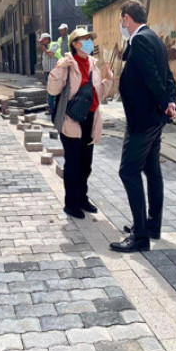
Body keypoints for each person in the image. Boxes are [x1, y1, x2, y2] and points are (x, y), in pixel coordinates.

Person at [110, 0, 176, 253]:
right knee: (151, 170)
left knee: (128, 172)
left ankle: (140, 236)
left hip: (143, 120)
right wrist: (170, 102)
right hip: (154, 118)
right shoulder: (154, 39)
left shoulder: (140, 41)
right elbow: (168, 77)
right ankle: (152, 225)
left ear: (127, 18)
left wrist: (166, 104)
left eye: (121, 19)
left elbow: (153, 79)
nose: (121, 24)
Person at [48, 28, 114, 219]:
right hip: (71, 120)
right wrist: (59, 68)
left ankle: (82, 198)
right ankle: (71, 203)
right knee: (73, 164)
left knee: (86, 164)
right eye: (84, 39)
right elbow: (52, 90)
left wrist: (108, 80)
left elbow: (97, 95)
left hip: (89, 120)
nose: (88, 42)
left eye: (89, 39)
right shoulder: (67, 63)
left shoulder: (93, 65)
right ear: (75, 44)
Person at [39, 32, 59, 112]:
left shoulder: (54, 45)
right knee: (49, 90)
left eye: (42, 41)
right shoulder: (45, 48)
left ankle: (53, 107)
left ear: (47, 39)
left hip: (53, 72)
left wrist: (44, 49)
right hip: (47, 72)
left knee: (54, 89)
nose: (41, 43)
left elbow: (51, 54)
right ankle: (50, 106)